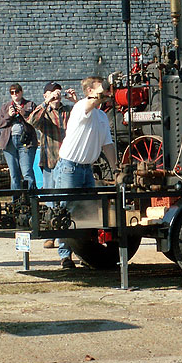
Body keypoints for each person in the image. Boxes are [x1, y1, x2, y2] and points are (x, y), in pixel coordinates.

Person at [54, 76, 119, 268]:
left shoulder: (101, 117)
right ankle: (65, 256)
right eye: (100, 87)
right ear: (90, 91)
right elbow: (91, 104)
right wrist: (103, 90)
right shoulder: (81, 106)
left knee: (87, 213)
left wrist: (116, 169)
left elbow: (108, 145)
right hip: (70, 167)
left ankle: (84, 253)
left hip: (87, 169)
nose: (105, 91)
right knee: (66, 210)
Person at [28, 81, 76, 248]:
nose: (56, 96)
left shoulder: (68, 111)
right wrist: (46, 103)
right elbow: (32, 121)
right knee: (50, 199)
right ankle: (49, 235)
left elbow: (87, 116)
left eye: (58, 92)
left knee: (66, 200)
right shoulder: (44, 112)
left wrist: (75, 100)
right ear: (45, 95)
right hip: (50, 160)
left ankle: (65, 239)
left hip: (68, 162)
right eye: (52, 93)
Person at [0, 83, 38, 193]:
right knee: (14, 174)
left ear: (21, 92)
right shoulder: (5, 107)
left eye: (17, 92)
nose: (15, 94)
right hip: (9, 143)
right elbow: (0, 124)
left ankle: (31, 200)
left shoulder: (30, 105)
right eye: (12, 92)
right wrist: (9, 115)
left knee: (27, 171)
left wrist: (24, 113)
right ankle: (16, 202)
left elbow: (37, 121)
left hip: (26, 142)